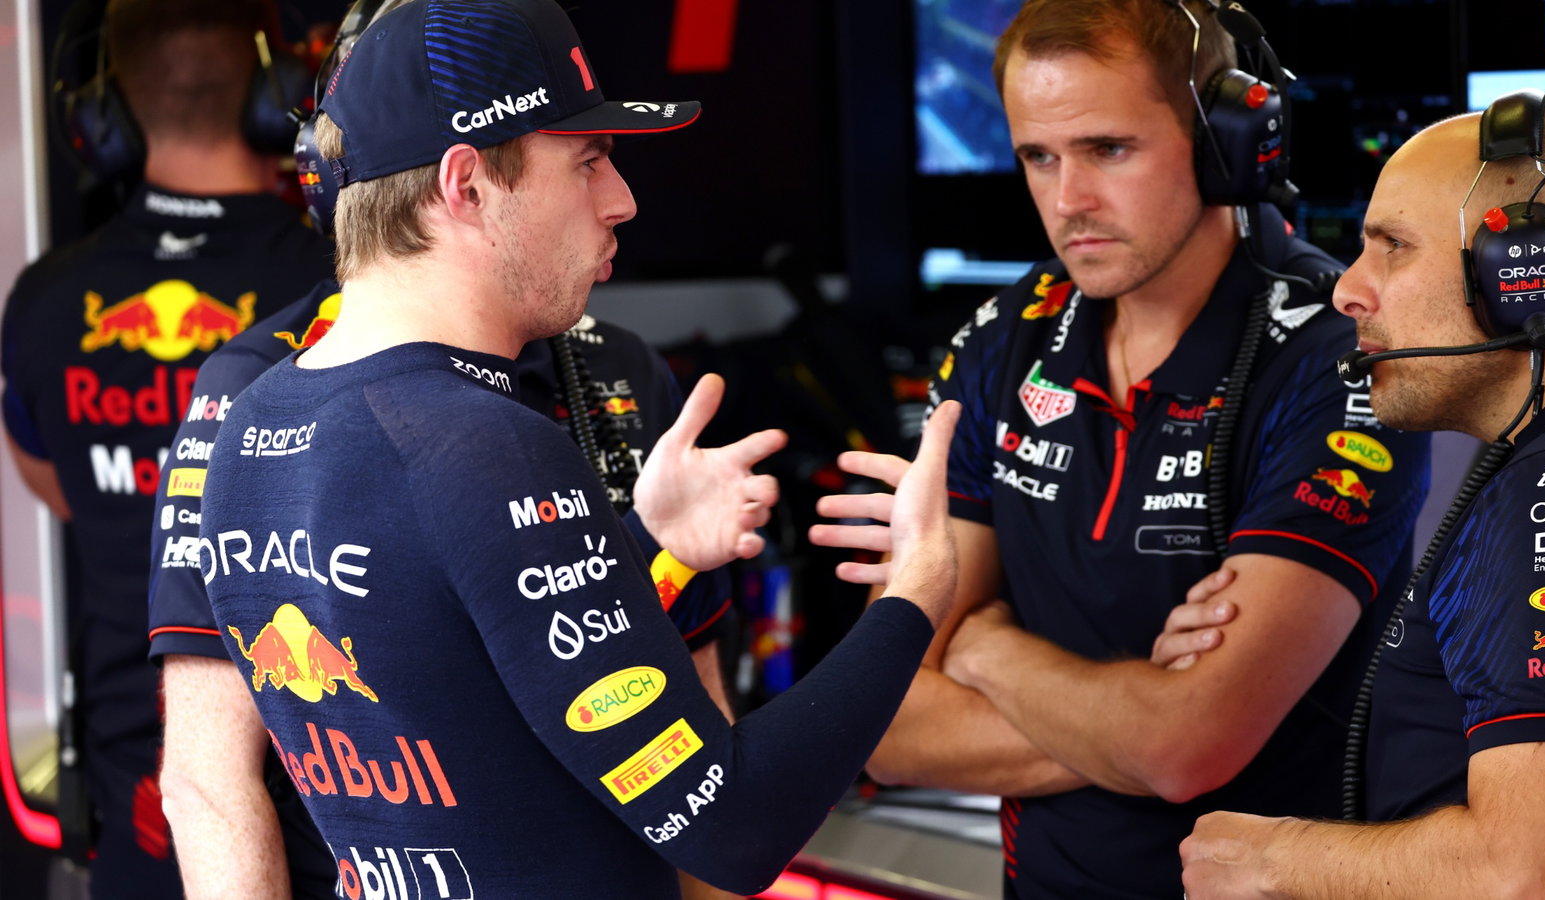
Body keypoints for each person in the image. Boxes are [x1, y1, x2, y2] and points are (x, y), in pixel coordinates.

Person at [194, 0, 960, 895]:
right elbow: (732, 824)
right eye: (588, 161)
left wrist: (650, 548)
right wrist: (914, 594)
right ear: (466, 185)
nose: (622, 199)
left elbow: (462, 691)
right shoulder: (487, 445)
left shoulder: (249, 423)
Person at [850, 1, 1430, 896]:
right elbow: (880, 723)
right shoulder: (1002, 337)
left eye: (1108, 149)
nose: (1067, 201)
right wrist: (1142, 719)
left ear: (1227, 146)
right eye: (1038, 157)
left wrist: (984, 649)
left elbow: (1187, 747)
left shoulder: (1341, 361)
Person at [152, 285, 744, 899]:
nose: (618, 225)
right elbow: (209, 780)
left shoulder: (617, 365)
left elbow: (696, 715)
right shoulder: (257, 381)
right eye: (586, 183)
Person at [1174, 99, 1545, 899]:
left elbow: (1536, 873)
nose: (1349, 291)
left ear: (1528, 270)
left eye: (1393, 247)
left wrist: (1271, 860)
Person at [0, 1, 332, 894]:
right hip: (327, 776)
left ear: (102, 111)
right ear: (277, 93)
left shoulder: (44, 300)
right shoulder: (339, 279)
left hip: (138, 785)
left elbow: (57, 486)